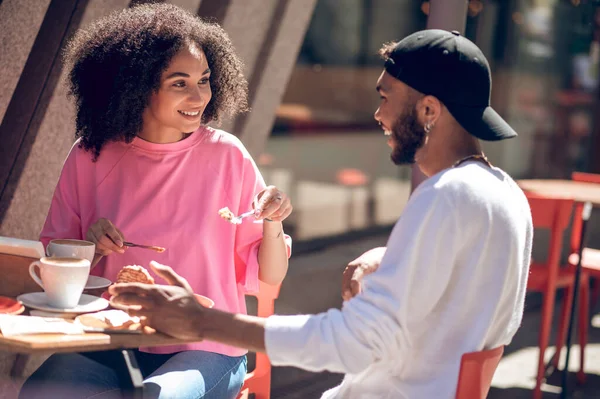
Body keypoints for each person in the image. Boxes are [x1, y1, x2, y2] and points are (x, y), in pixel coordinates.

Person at [111, 29, 533, 398]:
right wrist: (386, 258)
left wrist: (202, 321)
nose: (379, 115)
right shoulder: (502, 193)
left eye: (385, 97)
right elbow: (461, 277)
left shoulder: (444, 196)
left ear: (428, 110)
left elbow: (350, 344)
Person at [20, 3, 292, 399]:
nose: (199, 96)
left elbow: (270, 276)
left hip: (207, 343)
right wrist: (90, 249)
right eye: (179, 83)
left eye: (204, 80)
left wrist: (274, 220)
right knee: (41, 392)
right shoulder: (90, 156)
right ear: (135, 87)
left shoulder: (227, 155)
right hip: (110, 339)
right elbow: (51, 264)